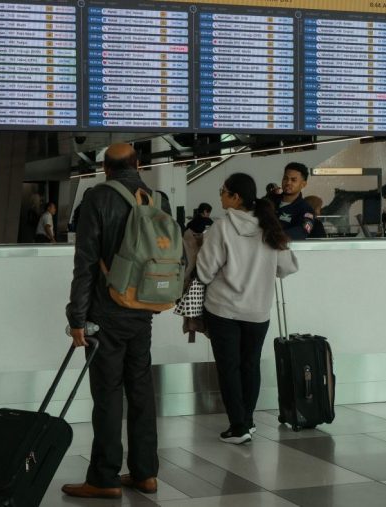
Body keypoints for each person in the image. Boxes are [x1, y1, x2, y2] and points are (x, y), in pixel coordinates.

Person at [63, 143, 171, 499]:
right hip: (143, 309)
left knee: (108, 395)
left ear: (105, 168)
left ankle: (104, 477)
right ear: (137, 165)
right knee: (141, 391)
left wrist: (77, 317)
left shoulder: (97, 198)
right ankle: (145, 473)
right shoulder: (156, 199)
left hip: (106, 313)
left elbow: (85, 263)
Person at [197, 173, 298, 444]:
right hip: (258, 310)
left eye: (223, 191)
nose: (220, 196)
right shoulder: (269, 225)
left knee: (229, 368)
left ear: (236, 197)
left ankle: (238, 426)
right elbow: (287, 267)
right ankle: (248, 421)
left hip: (223, 310)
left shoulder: (221, 227)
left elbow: (204, 272)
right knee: (250, 365)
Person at [270, 162, 316, 240]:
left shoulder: (306, 209)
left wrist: (274, 237)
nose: (288, 182)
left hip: (281, 246)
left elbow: (303, 230)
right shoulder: (270, 201)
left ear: (303, 184)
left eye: (293, 180)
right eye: (285, 178)